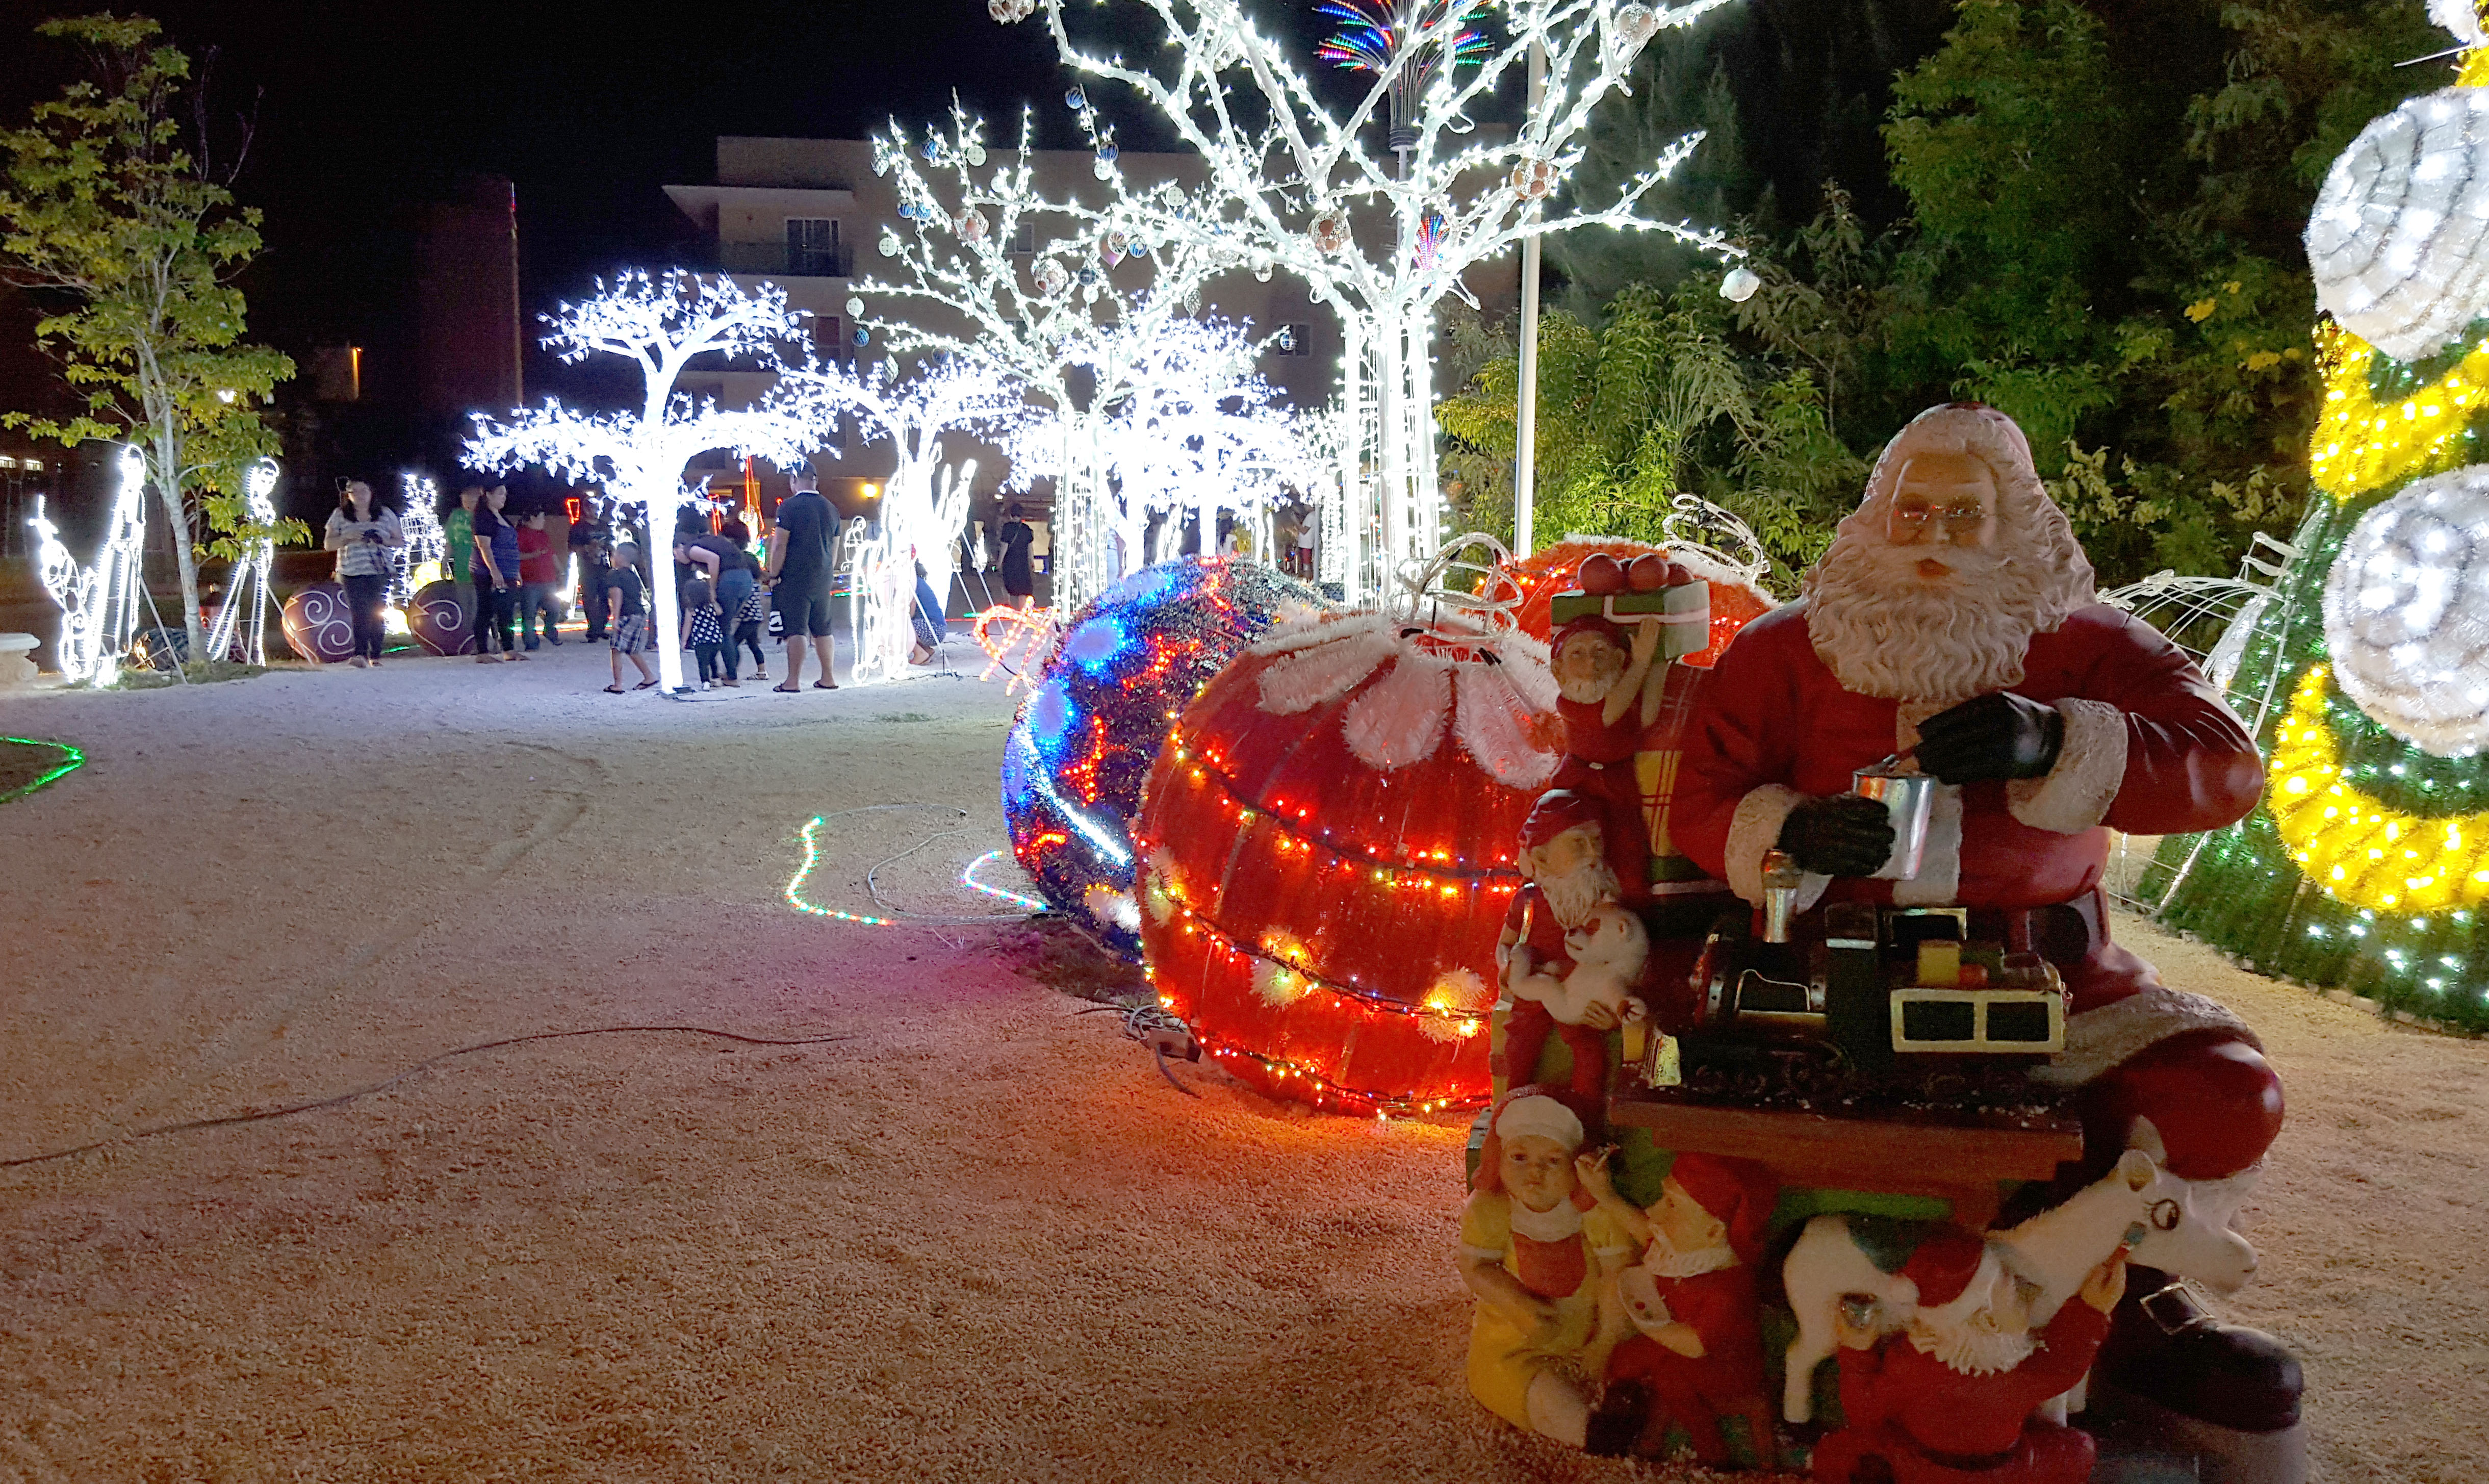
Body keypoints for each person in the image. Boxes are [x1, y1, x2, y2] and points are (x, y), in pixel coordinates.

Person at [1671, 401, 2297, 1462]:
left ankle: (2123, 1303)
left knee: (2227, 1095)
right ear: (1874, 516)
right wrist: (1792, 831)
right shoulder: (1784, 652)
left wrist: (2059, 740)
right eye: (1912, 511)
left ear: (2017, 524)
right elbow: (1700, 800)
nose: (1933, 538)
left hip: (2057, 979)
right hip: (1836, 966)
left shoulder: (2089, 646)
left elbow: (2226, 765)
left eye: (1963, 515)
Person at [1811, 1230, 2124, 1484]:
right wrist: (2093, 1310)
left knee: (1838, 1453)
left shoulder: (1910, 1366)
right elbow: (2064, 1366)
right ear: (1983, 1317)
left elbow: (1863, 1411)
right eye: (2011, 1288)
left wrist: (1856, 1348)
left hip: (1922, 1469)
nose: (2020, 1289)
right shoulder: (2019, 1372)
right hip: (2007, 1472)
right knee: (2079, 1450)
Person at [1579, 1154, 1780, 1468]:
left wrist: (1645, 1324)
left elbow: (1696, 1345)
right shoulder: (1688, 1249)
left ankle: (1711, 1448)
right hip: (1675, 1339)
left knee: (1669, 1379)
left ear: (1714, 1233)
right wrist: (1605, 1194)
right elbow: (1644, 1230)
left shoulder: (1725, 1289)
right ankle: (1623, 1402)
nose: (1653, 1211)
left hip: (1724, 1368)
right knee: (1623, 1360)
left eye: (1671, 1206)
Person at [1457, 1090, 1634, 1448]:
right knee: (1502, 1375)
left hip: (1592, 1332)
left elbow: (1619, 1272)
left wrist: (1604, 1343)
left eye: (1552, 1161)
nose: (1534, 1173)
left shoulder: (1594, 1212)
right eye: (1519, 1157)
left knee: (1641, 1359)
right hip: (1518, 1337)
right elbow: (1475, 1267)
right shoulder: (1491, 1209)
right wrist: (1515, 1304)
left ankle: (1624, 1402)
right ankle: (1589, 1431)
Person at [766, 468, 840, 690]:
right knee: (823, 628)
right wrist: (827, 569)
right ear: (816, 480)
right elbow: (835, 548)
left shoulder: (788, 507)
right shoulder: (831, 508)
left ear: (794, 480)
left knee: (796, 629)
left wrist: (773, 574)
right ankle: (828, 677)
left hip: (796, 576)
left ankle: (793, 681)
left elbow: (780, 545)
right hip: (823, 575)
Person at [324, 480, 403, 669]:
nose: (360, 495)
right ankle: (360, 653)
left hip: (379, 570)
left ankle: (376, 653)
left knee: (377, 611)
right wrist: (347, 538)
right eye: (354, 492)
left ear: (371, 492)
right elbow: (328, 545)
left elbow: (399, 541)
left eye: (364, 491)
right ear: (348, 495)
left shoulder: (385, 514)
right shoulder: (340, 515)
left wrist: (382, 540)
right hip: (351, 571)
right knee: (359, 612)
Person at [469, 484, 523, 663]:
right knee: (486, 610)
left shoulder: (503, 518)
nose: (504, 497)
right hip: (487, 573)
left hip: (508, 572)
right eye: (500, 493)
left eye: (505, 494)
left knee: (507, 612)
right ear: (488, 495)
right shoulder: (483, 518)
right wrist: (494, 571)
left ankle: (509, 649)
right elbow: (484, 546)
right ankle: (482, 653)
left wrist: (516, 572)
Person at [601, 540, 658, 692]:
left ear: (620, 556)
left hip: (627, 615)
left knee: (617, 648)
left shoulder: (615, 575)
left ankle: (618, 684)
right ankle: (648, 677)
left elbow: (616, 596)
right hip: (638, 614)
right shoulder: (633, 576)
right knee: (630, 649)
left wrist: (616, 618)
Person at [517, 509, 563, 650]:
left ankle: (549, 630)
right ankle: (531, 643)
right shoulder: (521, 534)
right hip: (530, 581)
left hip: (548, 580)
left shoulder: (543, 535)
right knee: (529, 614)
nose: (544, 521)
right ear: (532, 518)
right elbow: (515, 555)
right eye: (542, 518)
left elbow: (552, 554)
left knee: (555, 609)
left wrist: (561, 571)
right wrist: (533, 555)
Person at [570, 498, 611, 642]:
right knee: (590, 598)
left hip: (604, 566)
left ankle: (600, 627)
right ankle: (593, 629)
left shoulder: (604, 526)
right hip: (587, 567)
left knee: (605, 597)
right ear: (587, 510)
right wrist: (589, 548)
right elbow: (572, 547)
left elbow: (611, 544)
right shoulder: (579, 527)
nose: (597, 512)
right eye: (594, 509)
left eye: (599, 509)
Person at [680, 573, 729, 689]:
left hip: (700, 640)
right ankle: (716, 677)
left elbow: (688, 625)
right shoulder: (710, 606)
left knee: (703, 662)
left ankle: (705, 681)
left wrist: (683, 641)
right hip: (716, 638)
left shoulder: (691, 609)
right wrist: (713, 601)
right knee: (713, 659)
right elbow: (720, 612)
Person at [444, 485, 480, 641]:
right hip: (461, 567)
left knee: (478, 606)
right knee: (465, 606)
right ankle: (469, 639)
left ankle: (483, 640)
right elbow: (450, 541)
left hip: (480, 568)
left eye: (472, 501)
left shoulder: (483, 516)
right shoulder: (456, 515)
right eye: (465, 500)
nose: (468, 504)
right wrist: (445, 560)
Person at [731, 549, 769, 681]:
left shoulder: (748, 584)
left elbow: (745, 602)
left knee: (732, 643)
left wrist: (734, 614)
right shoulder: (756, 584)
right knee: (753, 645)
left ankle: (732, 671)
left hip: (749, 619)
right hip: (755, 619)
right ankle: (762, 671)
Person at [999, 502, 1036, 610]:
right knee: (1023, 588)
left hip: (1010, 561)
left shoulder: (1007, 528)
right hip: (1023, 561)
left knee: (1007, 582)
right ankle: (1022, 610)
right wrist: (1032, 561)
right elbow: (1030, 547)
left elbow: (1004, 546)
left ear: (1011, 514)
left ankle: (1007, 602)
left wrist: (999, 562)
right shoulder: (1026, 529)